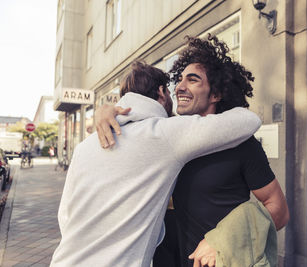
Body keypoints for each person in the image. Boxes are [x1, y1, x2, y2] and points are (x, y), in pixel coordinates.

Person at [96, 35, 289, 267]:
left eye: (193, 80)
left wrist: (221, 241)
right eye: (179, 80)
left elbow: (279, 210)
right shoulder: (166, 136)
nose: (179, 87)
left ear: (215, 94)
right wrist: (108, 112)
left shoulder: (242, 144)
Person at [50, 61, 261, 267]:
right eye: (172, 88)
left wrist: (111, 109)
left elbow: (65, 215)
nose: (178, 90)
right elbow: (249, 120)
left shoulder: (86, 146)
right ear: (162, 92)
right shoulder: (163, 134)